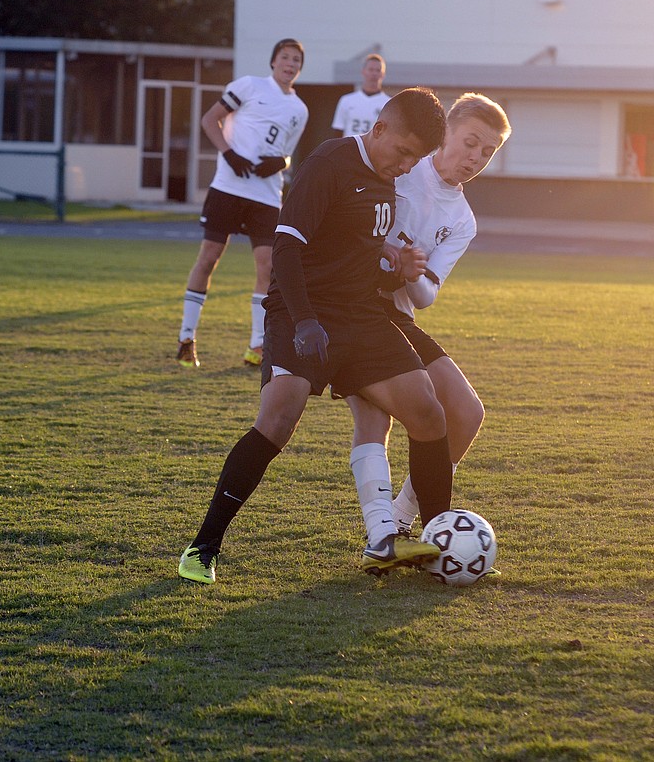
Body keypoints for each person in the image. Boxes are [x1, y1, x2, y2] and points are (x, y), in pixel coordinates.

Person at [178, 88, 449, 585]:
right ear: (380, 128)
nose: (408, 165)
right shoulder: (330, 162)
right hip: (299, 310)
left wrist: (395, 272)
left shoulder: (387, 179)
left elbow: (357, 260)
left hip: (359, 316)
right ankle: (202, 548)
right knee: (279, 419)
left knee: (429, 412)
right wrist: (304, 321)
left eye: (418, 158)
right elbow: (285, 248)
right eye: (404, 152)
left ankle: (437, 545)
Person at [345, 93, 511, 536]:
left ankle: (402, 515)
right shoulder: (403, 165)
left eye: (488, 151)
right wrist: (391, 255)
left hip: (397, 315)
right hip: (348, 303)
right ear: (446, 134)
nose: (475, 157)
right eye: (470, 142)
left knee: (467, 413)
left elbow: (425, 296)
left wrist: (411, 269)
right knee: (374, 419)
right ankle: (381, 536)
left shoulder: (463, 219)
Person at [176, 38, 309, 369]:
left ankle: (257, 347)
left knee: (267, 267)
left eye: (296, 60)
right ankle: (186, 339)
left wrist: (280, 163)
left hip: (265, 196)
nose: (290, 64)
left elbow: (286, 152)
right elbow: (210, 120)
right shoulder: (249, 86)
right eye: (285, 57)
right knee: (208, 258)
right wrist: (229, 153)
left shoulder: (300, 109)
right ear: (273, 61)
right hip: (228, 188)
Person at [330, 53, 391, 138]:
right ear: (363, 72)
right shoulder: (347, 100)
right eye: (371, 69)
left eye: (378, 70)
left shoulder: (388, 104)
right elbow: (338, 131)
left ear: (383, 74)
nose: (374, 73)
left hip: (373, 151)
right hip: (349, 149)